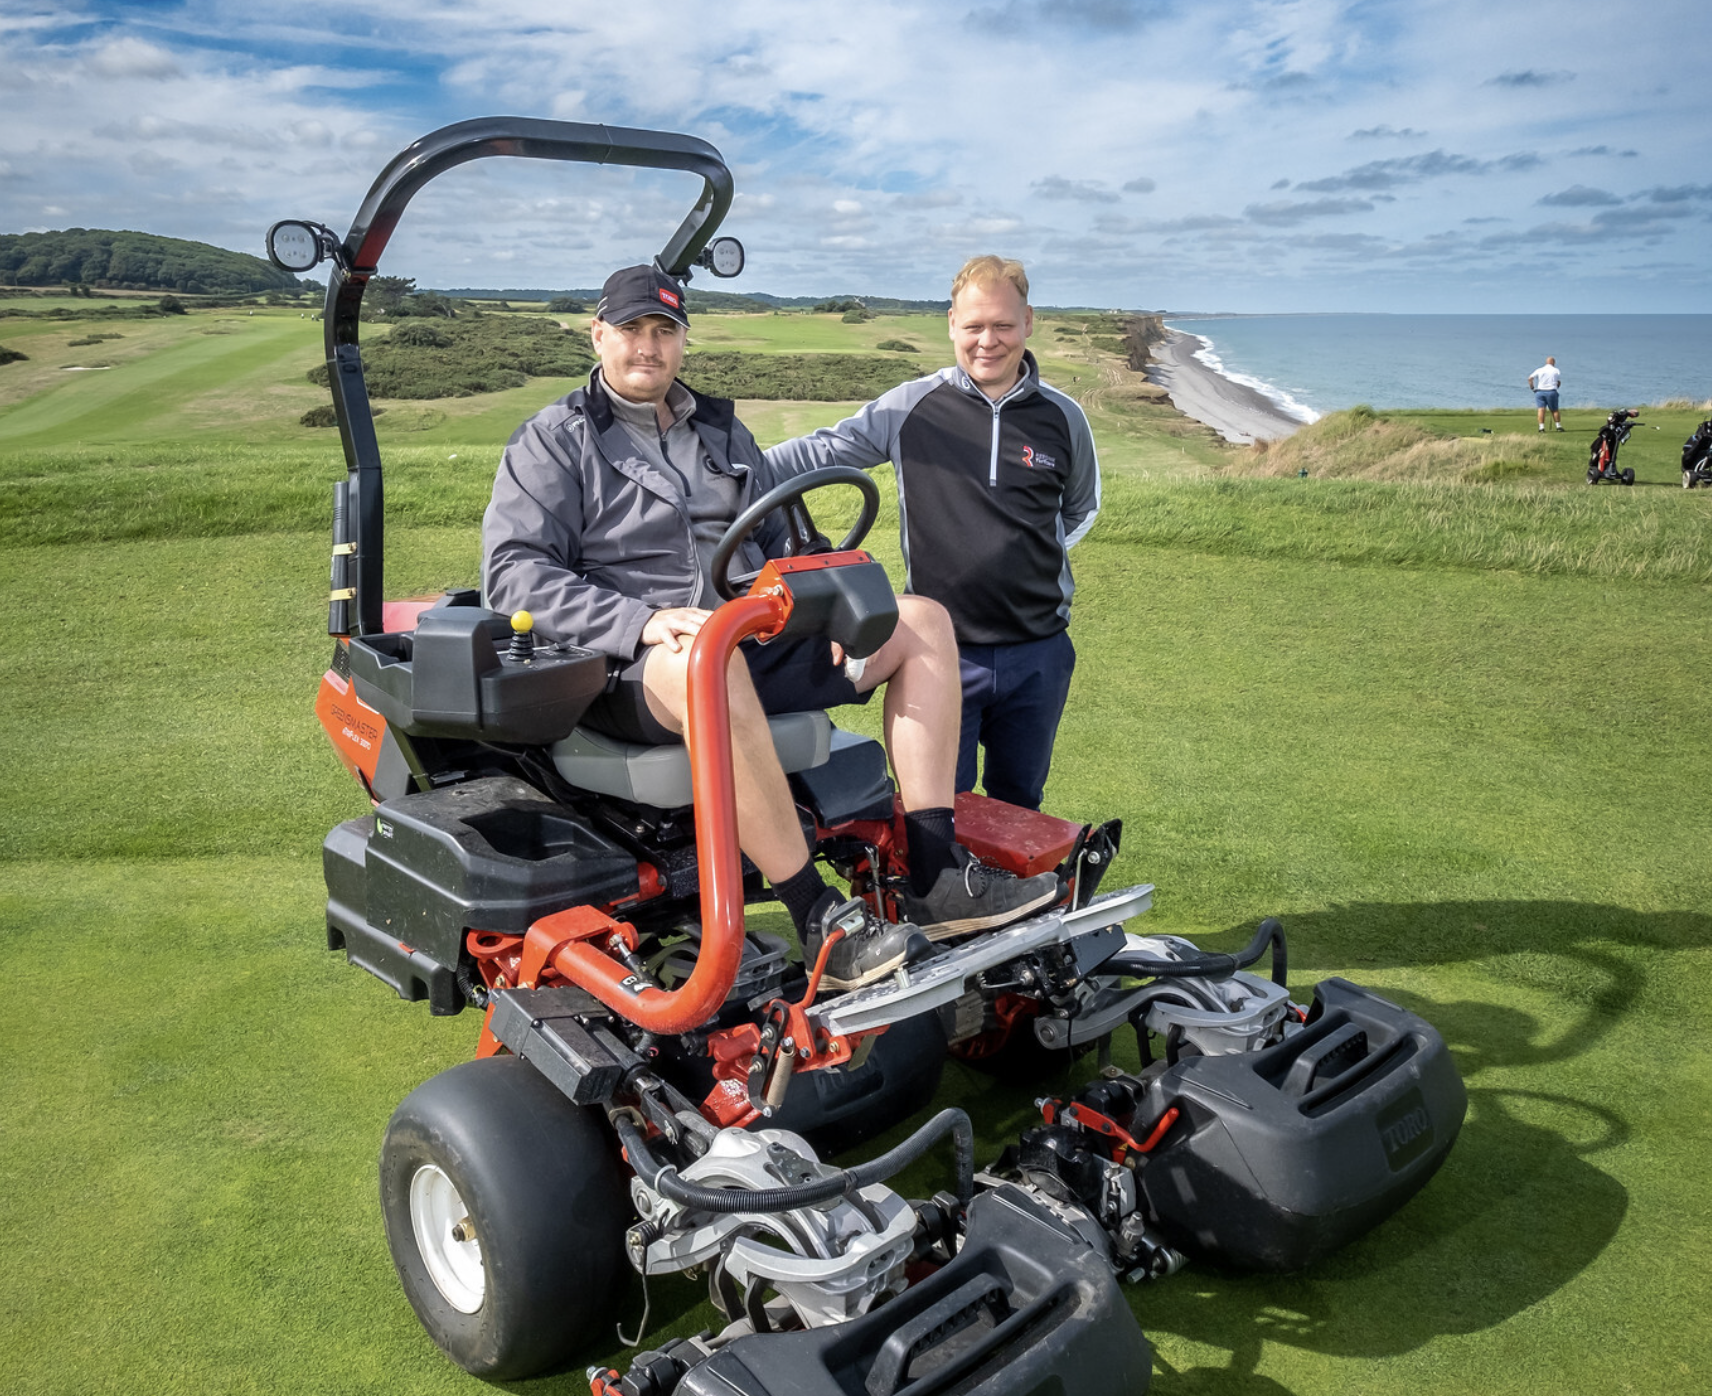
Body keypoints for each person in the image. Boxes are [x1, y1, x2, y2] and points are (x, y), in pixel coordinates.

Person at [482, 264, 1058, 990]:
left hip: (752, 637)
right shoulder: (555, 440)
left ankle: (935, 875)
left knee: (921, 621)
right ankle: (818, 917)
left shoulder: (720, 430)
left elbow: (789, 540)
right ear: (599, 336)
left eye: (664, 332)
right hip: (634, 663)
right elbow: (514, 573)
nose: (647, 349)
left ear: (682, 341)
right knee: (708, 657)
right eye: (631, 331)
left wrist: (836, 602)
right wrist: (643, 619)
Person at [765, 255, 1100, 811]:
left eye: (1002, 325)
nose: (987, 341)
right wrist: (727, 468)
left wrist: (1024, 552)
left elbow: (1081, 507)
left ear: (1028, 322)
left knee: (1020, 800)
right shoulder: (911, 406)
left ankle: (1019, 896)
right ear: (951, 324)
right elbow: (823, 450)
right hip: (942, 655)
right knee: (940, 801)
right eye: (973, 326)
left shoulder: (1063, 418)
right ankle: (944, 895)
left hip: (1039, 651)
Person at [1529, 356, 1564, 432]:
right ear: (1553, 362)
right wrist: (1556, 387)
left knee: (1541, 409)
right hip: (1551, 391)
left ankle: (1541, 428)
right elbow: (1558, 382)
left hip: (1540, 392)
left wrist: (1532, 387)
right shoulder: (1556, 370)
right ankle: (1558, 426)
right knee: (1554, 410)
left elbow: (1530, 378)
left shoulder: (1540, 369)